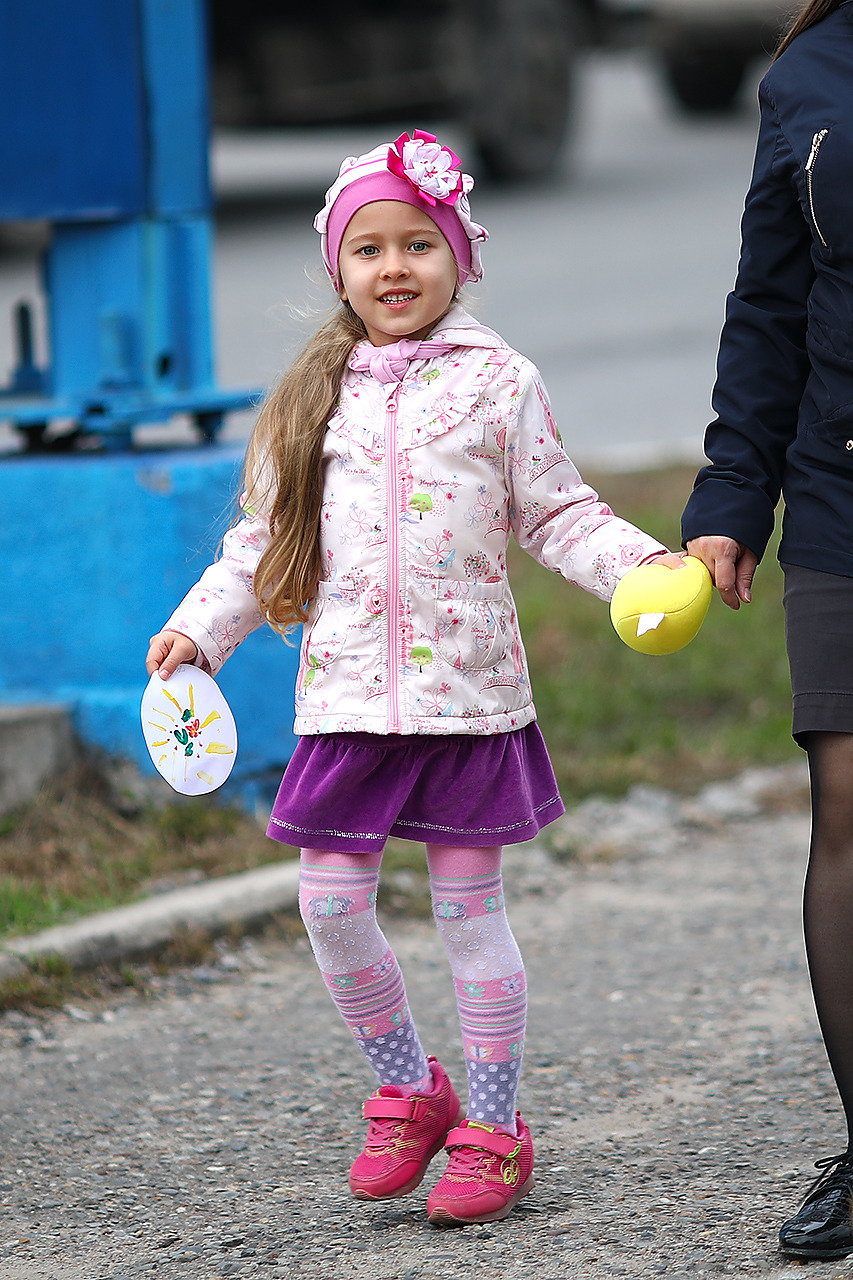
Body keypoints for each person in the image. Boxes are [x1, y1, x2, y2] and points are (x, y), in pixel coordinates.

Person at [147, 129, 681, 1226]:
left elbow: (556, 510)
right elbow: (262, 539)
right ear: (338, 268)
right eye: (369, 249)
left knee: (469, 914)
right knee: (330, 906)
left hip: (467, 699)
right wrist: (200, 632)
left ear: (459, 256)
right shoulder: (312, 395)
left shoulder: (498, 382)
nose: (394, 268)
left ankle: (494, 1123)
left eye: (418, 245)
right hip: (345, 698)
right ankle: (409, 1085)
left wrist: (640, 564)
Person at [681, 0, 853, 1261]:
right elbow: (769, 302)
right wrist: (733, 495)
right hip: (844, 485)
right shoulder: (810, 70)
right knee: (845, 803)